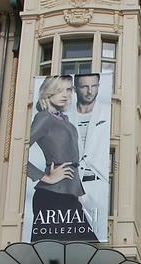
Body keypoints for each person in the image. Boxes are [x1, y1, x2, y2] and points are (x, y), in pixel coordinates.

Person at [27, 75, 97, 241]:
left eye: (68, 90)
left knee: (83, 250)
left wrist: (79, 193)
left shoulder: (64, 120)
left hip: (69, 194)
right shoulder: (44, 118)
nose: (65, 94)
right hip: (51, 196)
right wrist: (45, 177)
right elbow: (18, 151)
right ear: (48, 92)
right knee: (53, 257)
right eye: (59, 90)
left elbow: (72, 159)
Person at [71, 72, 111, 239]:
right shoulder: (64, 117)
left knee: (96, 235)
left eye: (93, 86)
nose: (89, 91)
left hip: (97, 189)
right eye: (84, 86)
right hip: (69, 190)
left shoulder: (107, 113)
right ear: (75, 89)